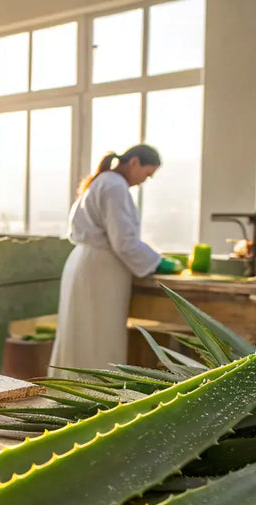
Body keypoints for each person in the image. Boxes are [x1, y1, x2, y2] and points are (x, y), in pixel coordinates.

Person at [50, 144, 183, 371]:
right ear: (134, 163)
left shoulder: (103, 181)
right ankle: (95, 393)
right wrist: (156, 262)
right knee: (99, 335)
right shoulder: (115, 187)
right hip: (99, 270)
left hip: (86, 264)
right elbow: (123, 241)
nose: (144, 181)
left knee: (82, 334)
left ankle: (75, 389)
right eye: (147, 173)